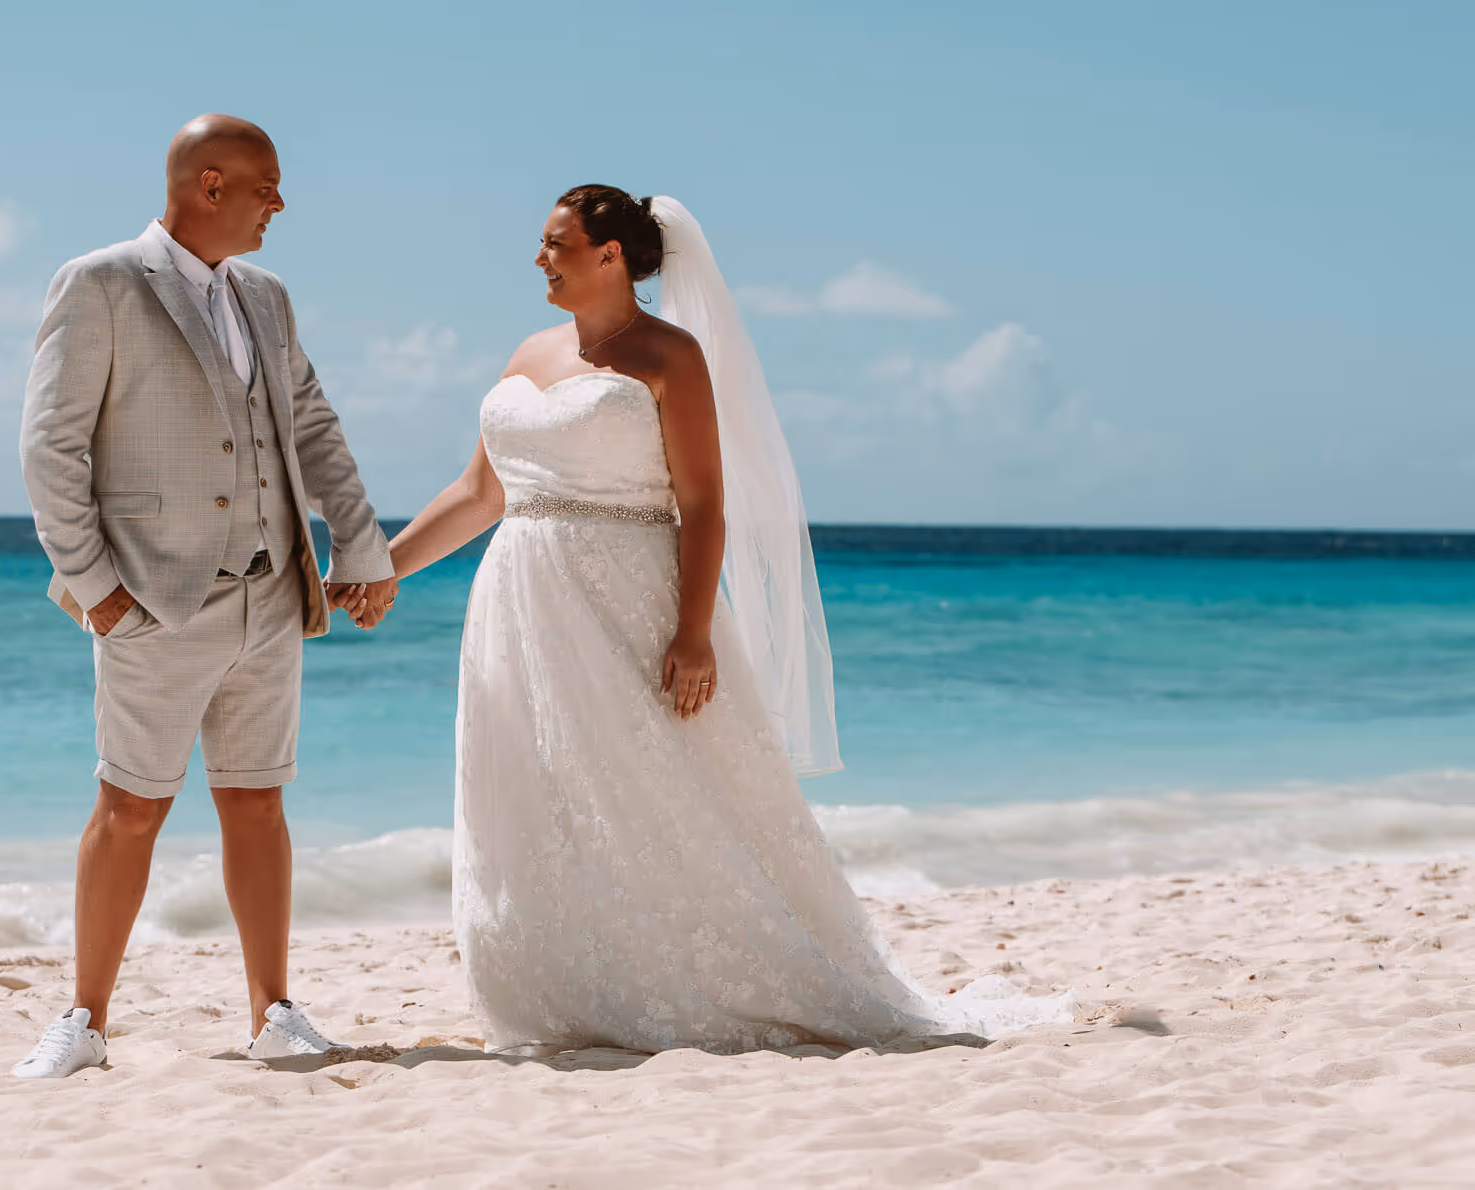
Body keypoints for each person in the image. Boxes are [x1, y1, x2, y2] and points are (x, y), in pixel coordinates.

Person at [388, 186, 1068, 1052]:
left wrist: (694, 629)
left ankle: (679, 977)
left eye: (556, 243)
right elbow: (480, 492)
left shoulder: (670, 354)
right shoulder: (527, 350)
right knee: (536, 790)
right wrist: (383, 565)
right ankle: (561, 980)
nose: (539, 258)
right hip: (517, 606)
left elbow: (705, 503)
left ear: (610, 256)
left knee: (656, 793)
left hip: (628, 600)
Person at [13, 114, 399, 1078]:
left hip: (269, 599)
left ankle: (274, 1011)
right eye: (266, 184)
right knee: (129, 809)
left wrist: (359, 541)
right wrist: (95, 588)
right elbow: (50, 447)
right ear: (210, 184)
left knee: (259, 803)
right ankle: (84, 1020)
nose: (280, 203)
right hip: (152, 599)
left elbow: (311, 425)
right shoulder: (100, 283)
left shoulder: (266, 297)